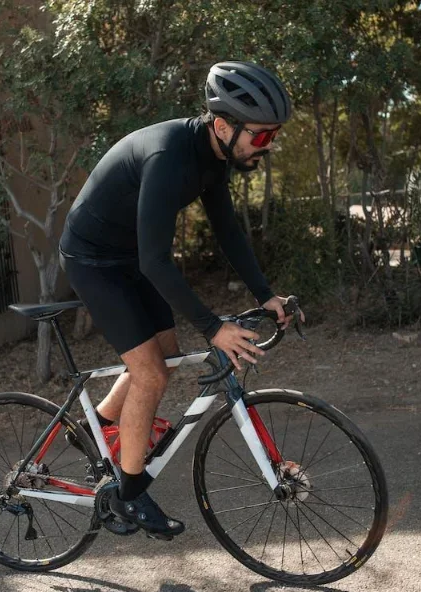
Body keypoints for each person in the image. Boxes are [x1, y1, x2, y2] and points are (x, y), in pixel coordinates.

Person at [58, 61, 303, 540]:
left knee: (165, 357)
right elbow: (155, 262)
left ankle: (96, 427)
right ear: (223, 125)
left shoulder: (213, 159)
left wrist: (265, 294)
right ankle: (128, 495)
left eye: (273, 136)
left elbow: (228, 232)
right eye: (262, 136)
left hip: (132, 255)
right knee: (150, 371)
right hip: (93, 260)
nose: (267, 147)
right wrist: (212, 327)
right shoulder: (170, 157)